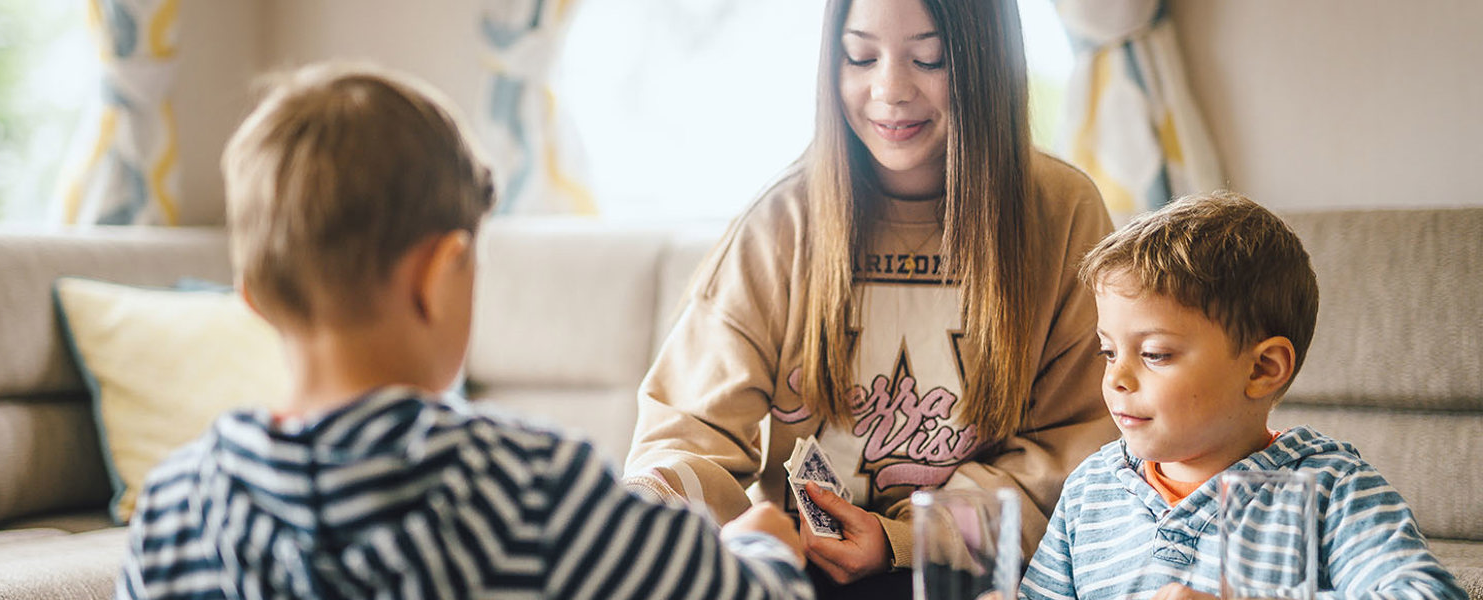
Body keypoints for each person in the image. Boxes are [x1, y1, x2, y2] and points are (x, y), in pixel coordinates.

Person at [115, 62, 814, 600]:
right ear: (441, 272)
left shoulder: (172, 508)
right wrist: (764, 547)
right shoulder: (530, 488)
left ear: (255, 299)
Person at [622, 0, 1117, 593]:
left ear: (987, 62)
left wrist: (901, 541)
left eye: (928, 58)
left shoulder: (1062, 213)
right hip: (800, 574)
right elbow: (688, 431)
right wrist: (648, 505)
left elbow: (1076, 454)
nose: (889, 89)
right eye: (860, 56)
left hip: (967, 578)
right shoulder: (783, 221)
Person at [1021, 191, 1466, 600]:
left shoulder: (1331, 489)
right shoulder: (1090, 489)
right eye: (1108, 350)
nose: (1116, 376)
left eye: (1155, 354)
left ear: (1262, 369)